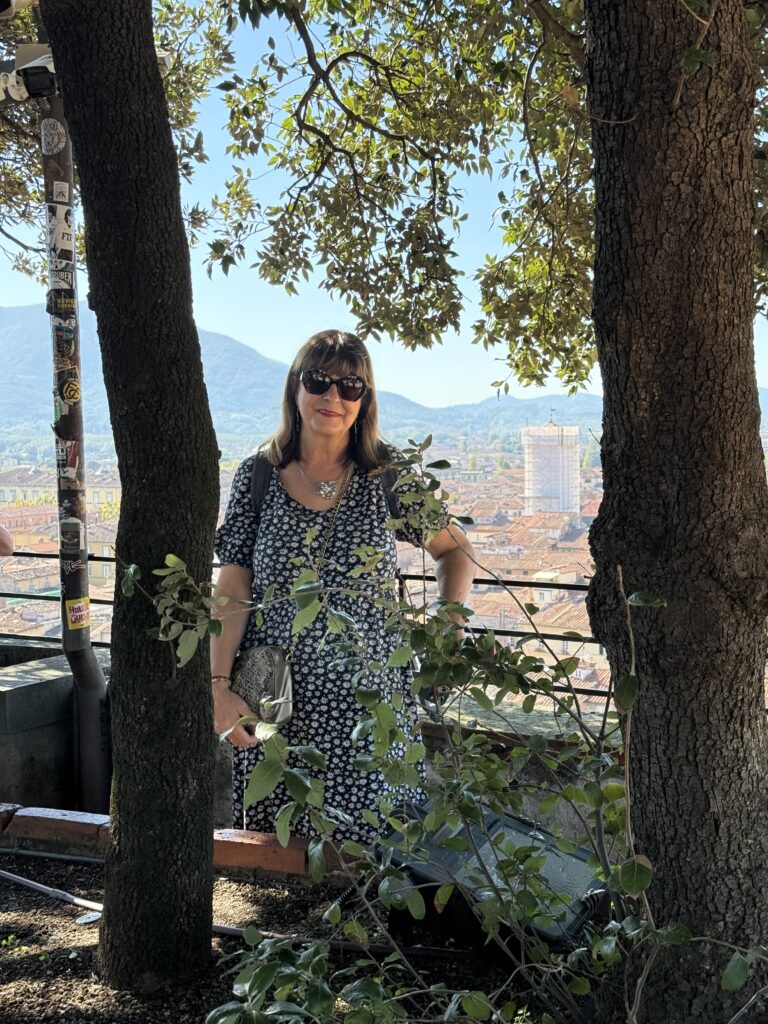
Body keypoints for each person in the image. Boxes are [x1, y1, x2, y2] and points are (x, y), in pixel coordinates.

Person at [211, 329, 475, 839]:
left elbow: (455, 552)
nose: (333, 396)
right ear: (296, 387)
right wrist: (218, 687)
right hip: (278, 703)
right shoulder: (258, 475)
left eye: (350, 386)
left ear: (364, 400)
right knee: (280, 848)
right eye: (319, 381)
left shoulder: (386, 475)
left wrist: (447, 631)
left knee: (377, 848)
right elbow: (234, 584)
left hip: (372, 704)